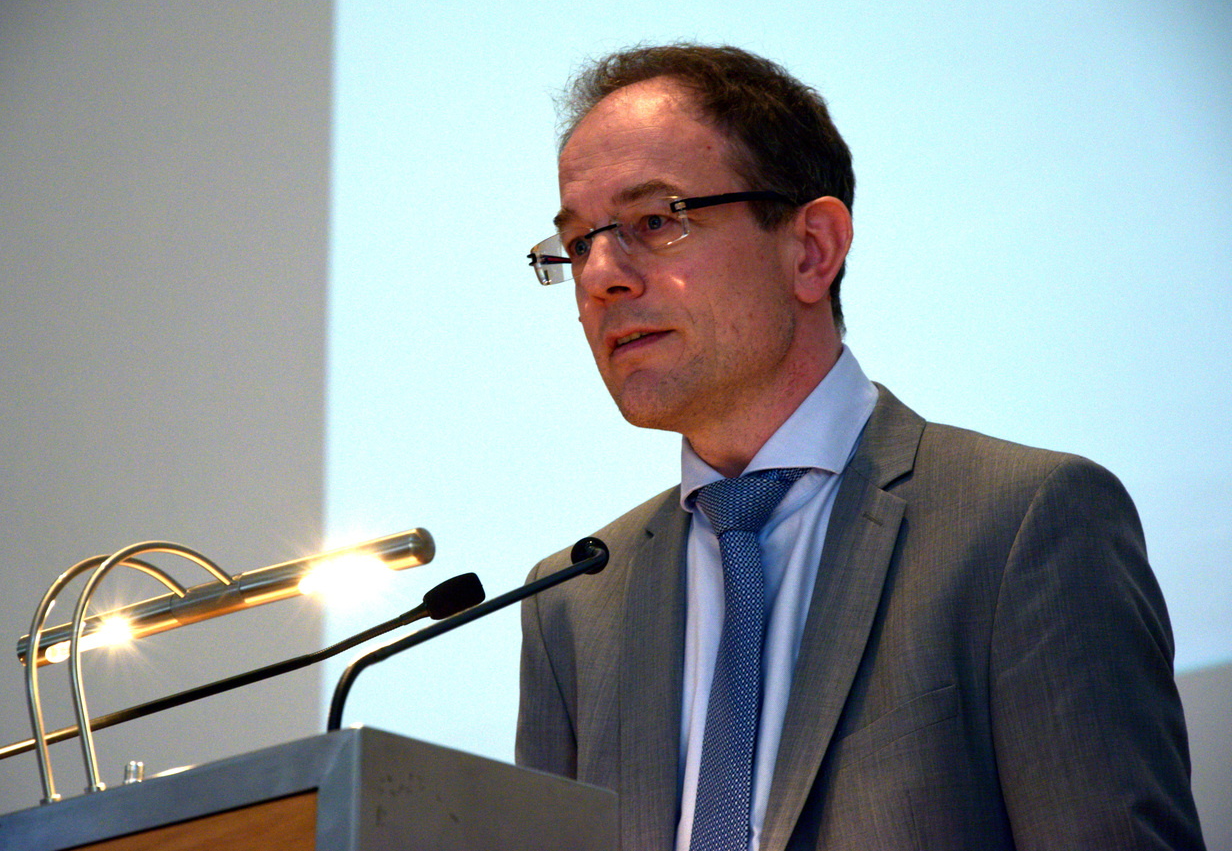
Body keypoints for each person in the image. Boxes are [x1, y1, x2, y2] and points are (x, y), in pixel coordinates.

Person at [515, 44, 1204, 851]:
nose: (600, 276)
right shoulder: (573, 607)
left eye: (655, 221)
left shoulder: (1024, 525)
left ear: (813, 247)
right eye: (577, 243)